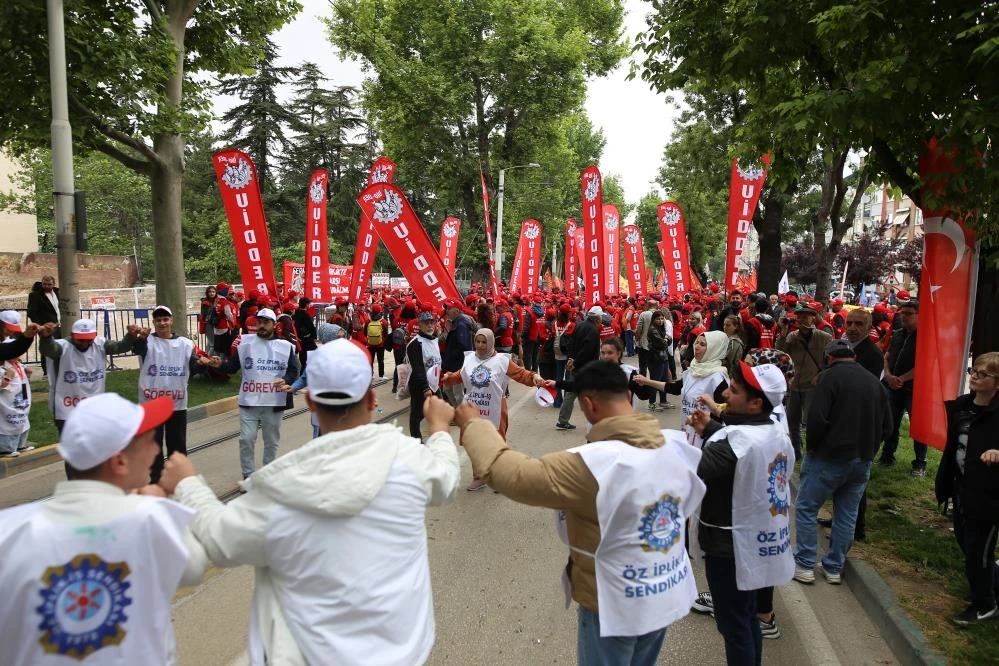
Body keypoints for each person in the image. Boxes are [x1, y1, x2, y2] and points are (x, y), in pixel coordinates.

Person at [160, 340, 460, 665]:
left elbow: (220, 541)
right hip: (406, 654)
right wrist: (440, 428)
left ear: (311, 403)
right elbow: (445, 478)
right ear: (372, 399)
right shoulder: (410, 460)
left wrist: (187, 483)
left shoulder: (282, 486)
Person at [457, 360, 705, 665]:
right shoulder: (676, 445)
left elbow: (510, 474)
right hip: (666, 593)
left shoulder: (592, 463)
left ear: (588, 404)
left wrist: (473, 425)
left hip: (614, 605)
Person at [0, 393, 207, 665]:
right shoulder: (149, 518)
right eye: (150, 441)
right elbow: (195, 566)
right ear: (119, 461)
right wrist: (160, 505)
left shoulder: (8, 530)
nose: (157, 450)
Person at [687, 361, 795, 666]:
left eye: (734, 391)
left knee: (733, 626)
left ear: (755, 403)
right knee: (746, 619)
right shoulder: (775, 430)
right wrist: (710, 428)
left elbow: (686, 473)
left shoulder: (732, 444)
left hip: (728, 546)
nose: (725, 394)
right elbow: (743, 451)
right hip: (757, 540)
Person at [792, 339, 891, 586]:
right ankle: (834, 567)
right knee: (847, 514)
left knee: (806, 508)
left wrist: (813, 449)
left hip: (828, 457)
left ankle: (804, 564)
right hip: (862, 459)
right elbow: (888, 426)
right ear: (853, 356)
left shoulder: (829, 378)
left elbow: (816, 418)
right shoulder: (873, 382)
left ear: (828, 357)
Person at [934, 352, 999, 626]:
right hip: (961, 490)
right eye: (974, 370)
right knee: (967, 545)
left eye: (983, 374)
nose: (974, 376)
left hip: (990, 496)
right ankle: (992, 586)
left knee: (979, 552)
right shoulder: (962, 405)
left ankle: (985, 605)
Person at [202, 308, 299, 482]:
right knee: (246, 439)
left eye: (265, 322)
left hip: (274, 402)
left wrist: (286, 380)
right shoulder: (245, 344)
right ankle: (248, 476)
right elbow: (232, 367)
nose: (261, 326)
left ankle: (268, 476)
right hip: (250, 401)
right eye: (259, 322)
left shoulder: (285, 346)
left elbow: (294, 371)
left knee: (271, 441)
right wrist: (218, 364)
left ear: (274, 325)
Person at [441, 328, 543, 490]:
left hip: (495, 408)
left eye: (484, 342)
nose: (480, 345)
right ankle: (479, 475)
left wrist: (534, 377)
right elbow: (461, 375)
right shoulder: (469, 359)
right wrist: (448, 378)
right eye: (477, 341)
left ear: (491, 343)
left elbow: (520, 374)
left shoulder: (502, 361)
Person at [132, 305, 202, 483]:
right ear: (154, 322)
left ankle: (179, 480)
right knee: (153, 446)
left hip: (176, 404)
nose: (162, 323)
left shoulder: (185, 344)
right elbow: (137, 349)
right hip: (151, 403)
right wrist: (140, 338)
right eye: (158, 320)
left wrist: (204, 363)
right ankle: (156, 481)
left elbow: (193, 365)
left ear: (171, 320)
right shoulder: (147, 342)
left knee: (177, 445)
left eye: (165, 319)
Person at [38, 318, 140, 435]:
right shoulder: (63, 347)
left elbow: (119, 347)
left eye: (89, 339)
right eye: (80, 339)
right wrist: (46, 338)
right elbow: (49, 350)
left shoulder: (100, 344)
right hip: (67, 409)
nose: (85, 343)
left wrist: (130, 335)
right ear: (72, 335)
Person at [635, 330, 730, 450]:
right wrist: (647, 381)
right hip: (687, 433)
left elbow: (723, 415)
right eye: (697, 343)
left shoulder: (718, 378)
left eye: (703, 344)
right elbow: (674, 388)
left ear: (714, 349)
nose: (697, 347)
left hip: (706, 441)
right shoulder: (693, 370)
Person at [777, 302, 832, 459]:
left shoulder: (824, 337)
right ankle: (796, 452)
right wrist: (783, 332)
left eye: (805, 317)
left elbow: (831, 362)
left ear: (813, 319)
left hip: (812, 384)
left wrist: (820, 375)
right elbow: (781, 353)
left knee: (811, 420)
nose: (801, 320)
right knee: (792, 420)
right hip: (795, 384)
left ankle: (812, 451)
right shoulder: (792, 336)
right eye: (799, 317)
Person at [879, 298, 928, 476]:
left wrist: (901, 379)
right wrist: (889, 376)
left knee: (918, 427)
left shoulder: (926, 336)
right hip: (892, 386)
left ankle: (920, 463)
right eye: (902, 314)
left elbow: (924, 364)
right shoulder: (898, 334)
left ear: (919, 316)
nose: (904, 317)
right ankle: (887, 456)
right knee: (891, 422)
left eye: (908, 314)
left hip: (913, 390)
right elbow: (887, 356)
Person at [556, 306, 602, 430]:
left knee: (573, 392)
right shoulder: (592, 330)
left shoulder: (580, 325)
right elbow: (587, 350)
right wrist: (575, 361)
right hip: (586, 367)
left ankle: (563, 420)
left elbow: (571, 343)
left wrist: (571, 358)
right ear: (597, 318)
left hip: (579, 365)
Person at [0, 311, 35, 457]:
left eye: (13, 330)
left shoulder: (16, 361)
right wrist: (7, 378)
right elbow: (8, 351)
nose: (9, 332)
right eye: (7, 328)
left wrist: (27, 336)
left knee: (21, 420)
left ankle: (19, 444)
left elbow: (13, 350)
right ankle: (5, 447)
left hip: (20, 401)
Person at [406, 311, 443, 438]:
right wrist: (425, 387)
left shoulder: (434, 339)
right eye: (426, 323)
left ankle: (437, 434)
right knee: (417, 414)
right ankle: (416, 439)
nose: (430, 326)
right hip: (420, 385)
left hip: (434, 383)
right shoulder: (415, 344)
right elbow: (418, 368)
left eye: (432, 323)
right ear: (420, 325)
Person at [440, 298, 475, 406]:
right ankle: (458, 410)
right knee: (447, 388)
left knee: (457, 393)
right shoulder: (457, 322)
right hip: (453, 364)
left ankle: (461, 413)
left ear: (457, 311)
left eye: (450, 308)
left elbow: (464, 346)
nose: (447, 310)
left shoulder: (461, 325)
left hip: (457, 365)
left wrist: (457, 364)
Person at [646, 310, 675, 411]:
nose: (660, 321)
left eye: (662, 318)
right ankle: (652, 403)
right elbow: (664, 343)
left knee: (664, 380)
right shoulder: (653, 329)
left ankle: (663, 401)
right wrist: (667, 339)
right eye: (658, 319)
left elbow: (668, 341)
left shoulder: (659, 328)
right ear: (653, 319)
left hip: (663, 357)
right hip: (655, 359)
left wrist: (666, 340)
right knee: (655, 381)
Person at [844, 308, 883, 378]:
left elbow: (869, 385)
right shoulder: (841, 347)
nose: (852, 328)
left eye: (859, 324)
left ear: (869, 329)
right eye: (849, 323)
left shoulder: (874, 355)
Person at [26, 274, 61, 339]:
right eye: (44, 284)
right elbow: (32, 313)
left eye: (49, 284)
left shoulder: (58, 292)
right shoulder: (35, 295)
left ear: (54, 284)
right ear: (41, 283)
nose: (47, 286)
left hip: (61, 326)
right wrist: (40, 328)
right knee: (48, 348)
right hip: (46, 329)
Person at [292, 297, 317, 371]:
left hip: (299, 339)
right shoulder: (305, 314)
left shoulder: (295, 313)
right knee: (314, 356)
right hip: (307, 339)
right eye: (309, 303)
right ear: (306, 305)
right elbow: (311, 327)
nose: (310, 305)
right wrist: (313, 336)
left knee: (302, 358)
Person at [635, 298, 657, 377]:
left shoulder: (644, 314)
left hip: (644, 344)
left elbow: (639, 329)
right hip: (657, 345)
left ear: (648, 305)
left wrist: (637, 338)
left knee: (643, 365)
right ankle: (654, 382)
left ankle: (642, 383)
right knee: (654, 366)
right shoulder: (661, 314)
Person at [365, 303, 387, 378]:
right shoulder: (383, 322)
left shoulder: (368, 321)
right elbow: (386, 334)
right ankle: (381, 376)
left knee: (370, 360)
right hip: (381, 344)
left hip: (370, 344)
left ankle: (371, 375)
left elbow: (365, 333)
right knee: (381, 360)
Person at [199, 284, 218, 353]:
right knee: (213, 344)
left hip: (214, 324)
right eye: (210, 292)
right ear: (207, 293)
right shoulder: (205, 302)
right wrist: (214, 308)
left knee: (209, 343)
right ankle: (208, 360)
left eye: (213, 292)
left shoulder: (216, 301)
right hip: (209, 325)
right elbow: (205, 315)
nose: (212, 293)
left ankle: (206, 355)